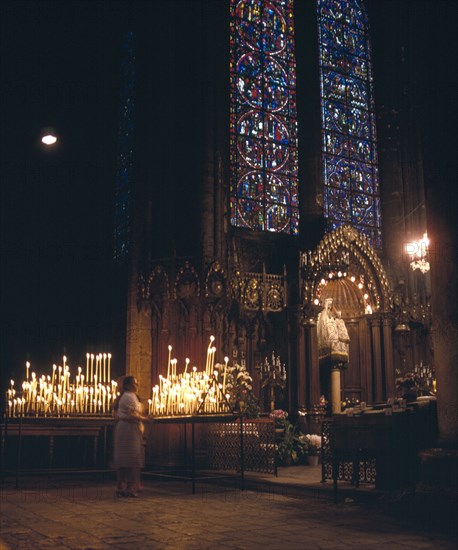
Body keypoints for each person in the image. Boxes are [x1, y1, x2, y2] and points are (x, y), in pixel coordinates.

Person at [113, 375, 148, 497]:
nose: (137, 386)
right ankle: (126, 487)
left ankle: (127, 486)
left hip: (131, 429)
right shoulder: (127, 397)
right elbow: (132, 414)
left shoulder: (132, 396)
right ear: (127, 385)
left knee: (130, 458)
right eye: (134, 384)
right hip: (127, 430)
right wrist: (146, 419)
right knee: (128, 458)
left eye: (137, 383)